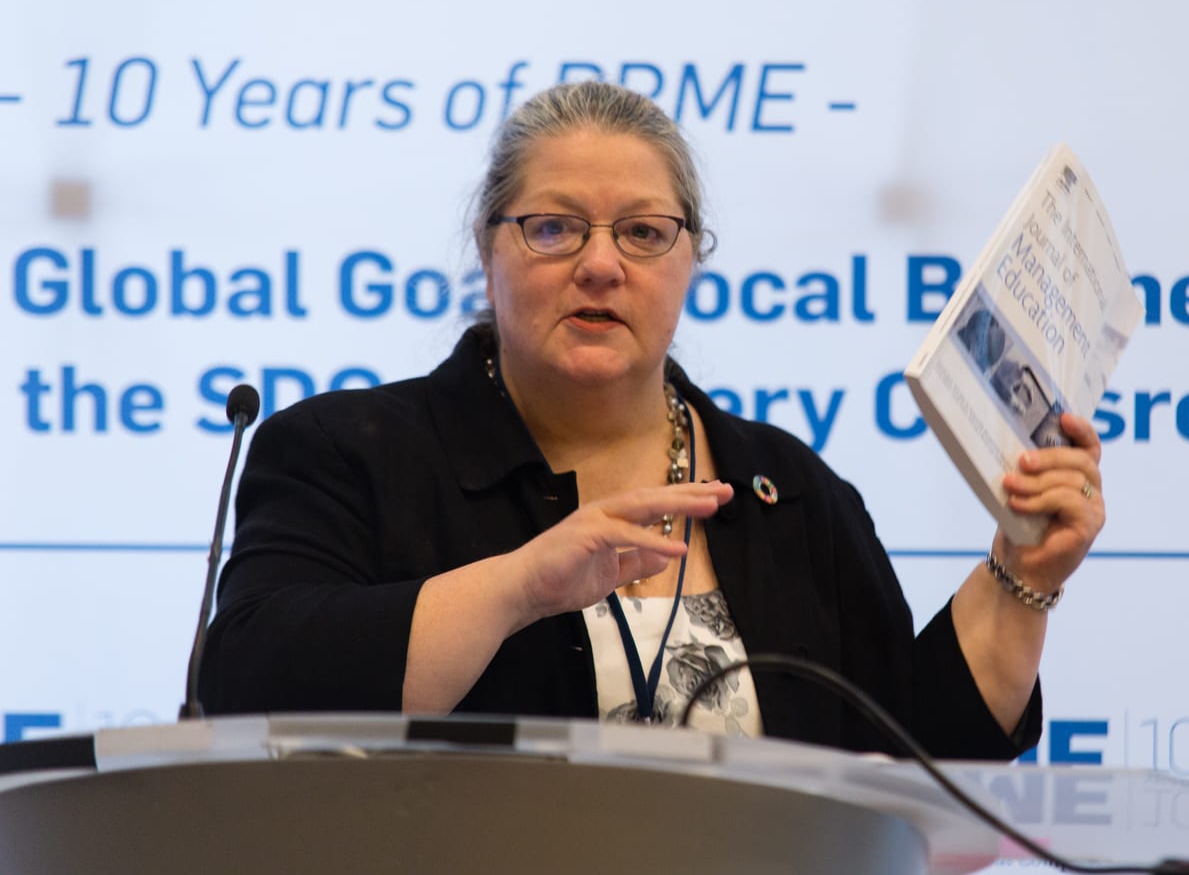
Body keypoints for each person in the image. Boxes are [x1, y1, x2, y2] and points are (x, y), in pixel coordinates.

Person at [200, 81, 1106, 759]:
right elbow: (251, 682)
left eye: (643, 232)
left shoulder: (790, 490)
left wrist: (1021, 573)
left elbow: (910, 770)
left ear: (690, 259)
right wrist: (520, 586)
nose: (601, 265)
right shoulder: (346, 455)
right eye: (554, 228)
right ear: (488, 246)